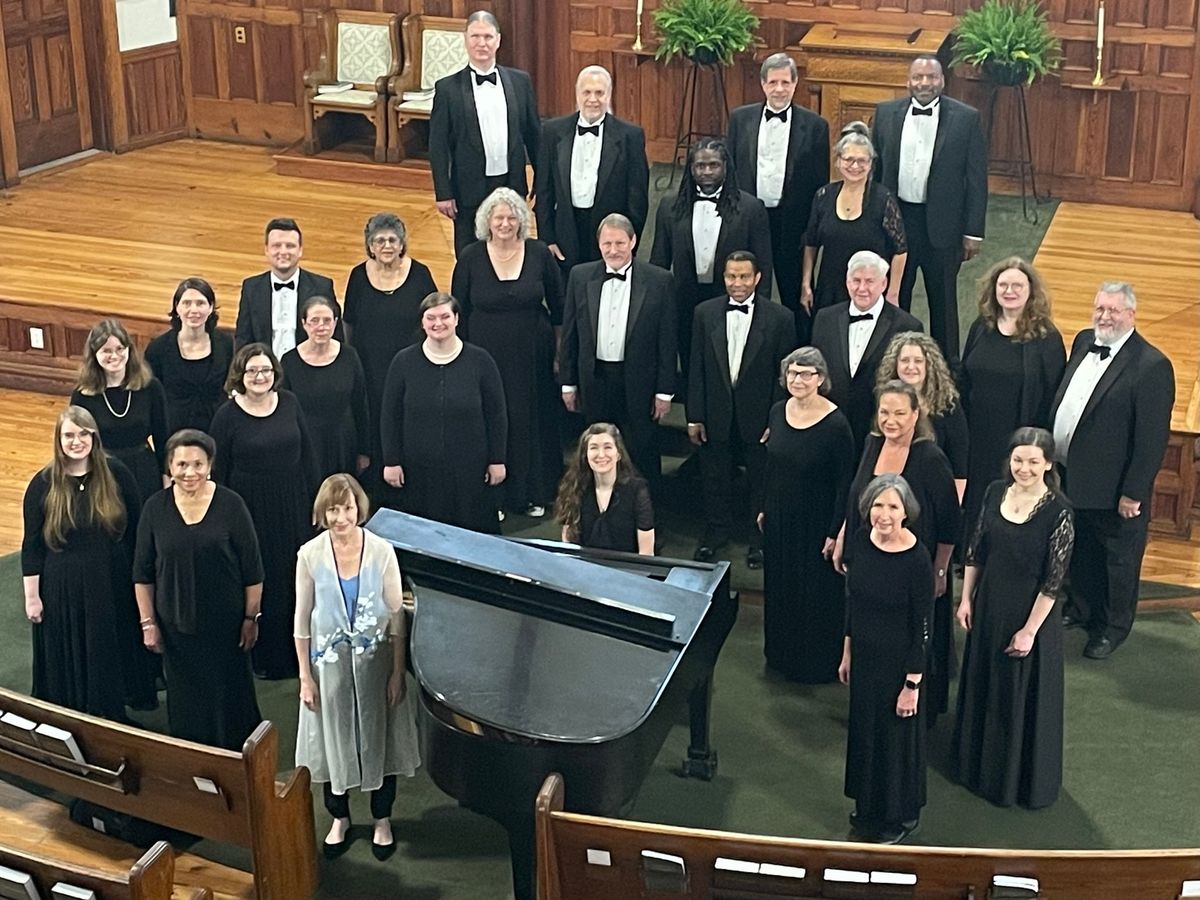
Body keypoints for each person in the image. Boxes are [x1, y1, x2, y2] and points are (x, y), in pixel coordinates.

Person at [294, 474, 420, 860]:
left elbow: (397, 616)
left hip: (376, 665)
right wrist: (304, 677)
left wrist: (398, 672)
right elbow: (302, 619)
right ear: (323, 511)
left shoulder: (382, 550)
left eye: (347, 508)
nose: (341, 517)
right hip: (328, 668)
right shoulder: (309, 555)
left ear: (358, 509)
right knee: (334, 738)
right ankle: (340, 817)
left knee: (381, 736)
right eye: (333, 509)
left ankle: (382, 817)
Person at [1050, 281, 1174, 659]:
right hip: (1072, 475)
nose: (1104, 316)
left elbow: (1151, 440)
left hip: (1116, 489)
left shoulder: (1152, 366)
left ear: (1131, 315)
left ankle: (1113, 627)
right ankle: (1082, 609)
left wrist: (1132, 493)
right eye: (1100, 308)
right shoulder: (1084, 340)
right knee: (1082, 549)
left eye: (1114, 310)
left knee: (1118, 561)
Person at [952, 427, 1074, 809]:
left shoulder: (1059, 512)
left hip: (1029, 615)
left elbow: (1053, 583)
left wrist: (1029, 632)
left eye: (1033, 462)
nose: (1024, 468)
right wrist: (966, 599)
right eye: (1018, 460)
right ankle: (976, 767)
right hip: (989, 605)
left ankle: (1012, 782)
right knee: (985, 685)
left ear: (1048, 465)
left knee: (1017, 696)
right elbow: (975, 551)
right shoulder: (993, 492)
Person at [836, 380, 959, 723]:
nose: (890, 420)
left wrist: (938, 570)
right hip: (872, 555)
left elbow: (950, 521)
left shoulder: (930, 457)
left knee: (915, 631)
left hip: (914, 565)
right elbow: (858, 496)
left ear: (916, 415)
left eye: (899, 413)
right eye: (884, 412)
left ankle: (919, 705)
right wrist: (844, 535)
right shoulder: (872, 444)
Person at [133, 429, 264, 750]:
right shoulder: (154, 508)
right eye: (181, 465)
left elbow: (253, 570)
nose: (189, 472)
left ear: (210, 466)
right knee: (187, 709)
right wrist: (148, 624)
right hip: (176, 629)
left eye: (197, 464)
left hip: (226, 627)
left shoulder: (232, 505)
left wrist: (251, 619)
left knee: (230, 702)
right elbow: (142, 573)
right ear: (169, 466)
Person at [22, 406, 142, 721]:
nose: (77, 441)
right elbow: (31, 546)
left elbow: (137, 528)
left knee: (106, 646)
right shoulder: (43, 483)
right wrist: (32, 598)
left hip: (109, 577)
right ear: (58, 440)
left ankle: (109, 714)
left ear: (94, 437)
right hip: (63, 581)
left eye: (83, 434)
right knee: (69, 650)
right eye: (69, 435)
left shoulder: (116, 473)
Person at [452, 188, 562, 517]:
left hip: (533, 357)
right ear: (487, 221)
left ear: (522, 220)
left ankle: (529, 494)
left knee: (529, 421)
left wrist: (558, 353)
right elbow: (458, 310)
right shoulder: (471, 257)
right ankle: (492, 498)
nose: (505, 223)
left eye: (512, 216)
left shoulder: (539, 253)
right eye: (498, 217)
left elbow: (559, 309)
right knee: (489, 421)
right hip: (485, 358)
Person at [209, 344, 317, 679]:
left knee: (292, 575)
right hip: (248, 508)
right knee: (259, 576)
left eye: (266, 371)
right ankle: (262, 656)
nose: (259, 377)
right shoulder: (227, 415)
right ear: (239, 375)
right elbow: (219, 471)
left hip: (292, 503)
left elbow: (308, 455)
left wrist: (316, 502)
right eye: (252, 371)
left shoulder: (289, 402)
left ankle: (293, 650)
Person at [871, 56, 988, 363]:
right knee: (895, 297)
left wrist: (973, 232)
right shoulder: (885, 113)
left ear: (942, 80)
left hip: (944, 226)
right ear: (908, 80)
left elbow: (976, 179)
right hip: (898, 222)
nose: (924, 83)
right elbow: (877, 172)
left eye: (931, 77)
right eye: (918, 77)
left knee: (944, 302)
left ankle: (947, 369)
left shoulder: (966, 118)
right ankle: (893, 361)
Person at [840, 473, 933, 844]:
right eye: (878, 504)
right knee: (866, 731)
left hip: (899, 665)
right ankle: (869, 804)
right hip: (864, 658)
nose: (884, 513)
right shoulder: (861, 543)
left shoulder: (917, 558)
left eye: (893, 506)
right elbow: (853, 602)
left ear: (906, 511)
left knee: (895, 741)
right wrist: (847, 652)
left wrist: (912, 684)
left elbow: (923, 626)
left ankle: (899, 815)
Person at [687, 251, 796, 565]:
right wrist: (694, 415)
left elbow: (785, 376)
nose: (737, 283)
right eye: (731, 276)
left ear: (758, 278)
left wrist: (778, 419)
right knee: (714, 475)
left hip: (760, 414)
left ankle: (758, 537)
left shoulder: (781, 318)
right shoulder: (704, 313)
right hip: (715, 411)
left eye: (744, 276)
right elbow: (697, 368)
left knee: (761, 479)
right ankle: (716, 531)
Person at [559, 214, 676, 490]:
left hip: (639, 380)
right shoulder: (580, 276)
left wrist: (664, 391)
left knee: (642, 449)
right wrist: (568, 382)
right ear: (598, 244)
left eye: (620, 243)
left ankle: (645, 513)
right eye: (607, 243)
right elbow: (571, 334)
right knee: (597, 446)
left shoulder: (659, 281)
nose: (613, 250)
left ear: (633, 241)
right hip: (595, 378)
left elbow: (667, 339)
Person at [758, 348, 854, 682]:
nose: (799, 380)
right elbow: (770, 464)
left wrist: (834, 529)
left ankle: (814, 665)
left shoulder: (836, 424)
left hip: (817, 522)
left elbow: (845, 483)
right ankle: (781, 655)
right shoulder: (776, 411)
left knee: (814, 593)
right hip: (780, 516)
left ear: (821, 379)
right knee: (781, 586)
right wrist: (763, 506)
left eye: (806, 374)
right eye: (793, 374)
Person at [381, 292, 508, 533]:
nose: (438, 324)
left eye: (444, 317)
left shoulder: (481, 361)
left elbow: (497, 415)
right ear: (422, 322)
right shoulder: (403, 362)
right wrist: (391, 460)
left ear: (457, 319)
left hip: (470, 469)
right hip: (419, 470)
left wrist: (497, 459)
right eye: (431, 318)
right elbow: (390, 416)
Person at [650, 137, 773, 382]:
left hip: (730, 296)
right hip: (685, 297)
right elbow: (659, 262)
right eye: (700, 166)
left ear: (726, 166)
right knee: (689, 360)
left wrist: (760, 307)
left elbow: (764, 265)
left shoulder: (750, 208)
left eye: (714, 165)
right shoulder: (670, 206)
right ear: (691, 168)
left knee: (726, 365)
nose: (706, 171)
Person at [726, 52, 830, 342]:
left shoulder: (816, 126)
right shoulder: (740, 119)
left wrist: (811, 230)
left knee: (794, 295)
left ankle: (799, 358)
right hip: (749, 218)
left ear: (795, 84)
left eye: (785, 82)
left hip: (792, 224)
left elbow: (819, 187)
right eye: (773, 82)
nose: (779, 88)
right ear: (763, 84)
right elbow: (731, 173)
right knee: (748, 289)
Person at [959, 256, 1066, 536]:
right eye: (1003, 284)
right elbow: (964, 377)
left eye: (1017, 285)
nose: (1009, 291)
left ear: (1031, 291)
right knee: (977, 492)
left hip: (1018, 437)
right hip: (978, 431)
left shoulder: (1047, 337)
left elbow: (1053, 395)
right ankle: (970, 552)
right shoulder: (981, 327)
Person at [342, 213, 438, 504]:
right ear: (370, 246)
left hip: (413, 369)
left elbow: (433, 319)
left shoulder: (420, 274)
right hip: (371, 368)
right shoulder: (359, 276)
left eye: (392, 240)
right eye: (379, 240)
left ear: (402, 244)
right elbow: (349, 324)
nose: (386, 245)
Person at [429, 10, 540, 255]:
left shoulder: (520, 82)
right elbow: (438, 145)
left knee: (512, 246)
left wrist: (542, 182)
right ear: (466, 40)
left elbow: (534, 136)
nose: (482, 43)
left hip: (511, 181)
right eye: (475, 36)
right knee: (469, 252)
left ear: (498, 40)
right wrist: (443, 192)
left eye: (488, 37)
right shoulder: (447, 89)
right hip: (468, 186)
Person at [535, 65, 649, 272]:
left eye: (599, 93)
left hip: (609, 232)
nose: (593, 99)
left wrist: (630, 242)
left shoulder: (630, 136)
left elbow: (637, 197)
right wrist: (547, 238)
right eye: (586, 92)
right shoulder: (552, 132)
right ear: (577, 94)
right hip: (566, 228)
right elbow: (544, 190)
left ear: (609, 95)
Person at [810, 251, 922, 454]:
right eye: (856, 280)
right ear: (847, 281)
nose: (862, 288)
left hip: (880, 430)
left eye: (869, 281)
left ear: (884, 284)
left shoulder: (907, 325)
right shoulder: (824, 318)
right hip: (830, 426)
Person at [802, 123, 907, 312]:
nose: (855, 166)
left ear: (871, 164)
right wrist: (806, 284)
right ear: (838, 161)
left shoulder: (883, 199)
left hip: (869, 290)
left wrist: (893, 293)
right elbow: (811, 243)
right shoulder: (823, 195)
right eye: (849, 159)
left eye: (862, 160)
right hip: (830, 290)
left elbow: (900, 251)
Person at [71, 319, 170, 510]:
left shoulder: (150, 387)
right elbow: (79, 442)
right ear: (94, 355)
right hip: (104, 471)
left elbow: (162, 436)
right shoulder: (83, 395)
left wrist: (166, 477)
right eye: (106, 351)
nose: (114, 355)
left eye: (119, 348)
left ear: (129, 350)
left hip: (143, 469)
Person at [281, 296, 370, 484]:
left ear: (335, 323)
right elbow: (285, 412)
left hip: (343, 443)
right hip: (307, 445)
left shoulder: (349, 356)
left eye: (327, 321)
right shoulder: (289, 361)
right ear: (304, 324)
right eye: (314, 321)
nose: (321, 326)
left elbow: (360, 405)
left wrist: (364, 451)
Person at [876, 331, 968, 498]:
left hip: (933, 494)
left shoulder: (948, 406)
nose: (911, 367)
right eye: (904, 360)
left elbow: (959, 467)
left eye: (918, 361)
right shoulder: (883, 399)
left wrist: (955, 506)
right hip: (890, 495)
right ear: (895, 364)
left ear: (929, 365)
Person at [235, 217, 342, 358]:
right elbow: (243, 339)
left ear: (300, 250)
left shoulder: (322, 287)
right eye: (276, 245)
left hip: (308, 370)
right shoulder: (251, 288)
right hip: (266, 373)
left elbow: (336, 338)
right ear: (266, 250)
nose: (283, 251)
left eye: (290, 246)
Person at [145, 277, 235, 434]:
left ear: (211, 307)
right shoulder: (158, 349)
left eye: (200, 303)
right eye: (186, 303)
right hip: (174, 433)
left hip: (217, 430)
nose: (194, 310)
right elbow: (152, 396)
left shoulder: (226, 344)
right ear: (177, 308)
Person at [554, 423, 654, 555]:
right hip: (585, 568)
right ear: (585, 455)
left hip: (626, 570)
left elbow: (646, 553)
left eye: (607, 447)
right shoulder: (575, 487)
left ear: (618, 454)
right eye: (594, 448)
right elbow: (568, 546)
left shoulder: (637, 491)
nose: (601, 455)